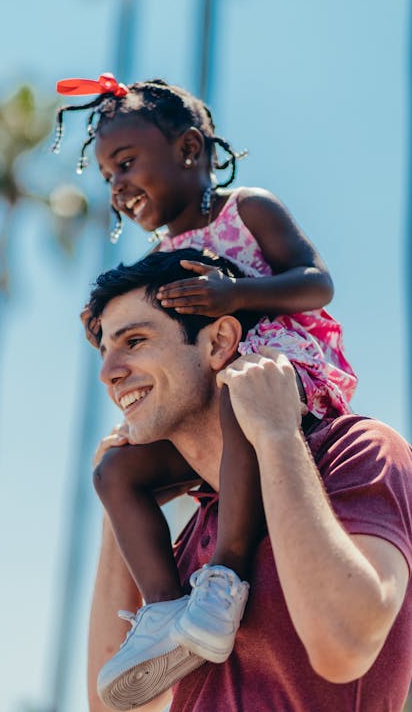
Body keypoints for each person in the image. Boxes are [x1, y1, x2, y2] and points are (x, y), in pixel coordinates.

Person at [51, 74, 359, 696]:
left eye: (128, 163)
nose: (118, 186)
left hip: (279, 378)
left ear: (191, 150)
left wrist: (236, 294)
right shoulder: (166, 250)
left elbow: (316, 281)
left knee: (235, 392)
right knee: (115, 471)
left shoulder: (249, 209)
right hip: (212, 403)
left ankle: (224, 580)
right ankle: (166, 611)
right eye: (109, 174)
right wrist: (111, 321)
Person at [87, 249, 411, 712]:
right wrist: (114, 516)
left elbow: (345, 648)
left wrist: (276, 434)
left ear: (219, 343)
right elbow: (113, 708)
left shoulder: (359, 452)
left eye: (135, 341)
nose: (108, 373)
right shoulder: (186, 537)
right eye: (104, 352)